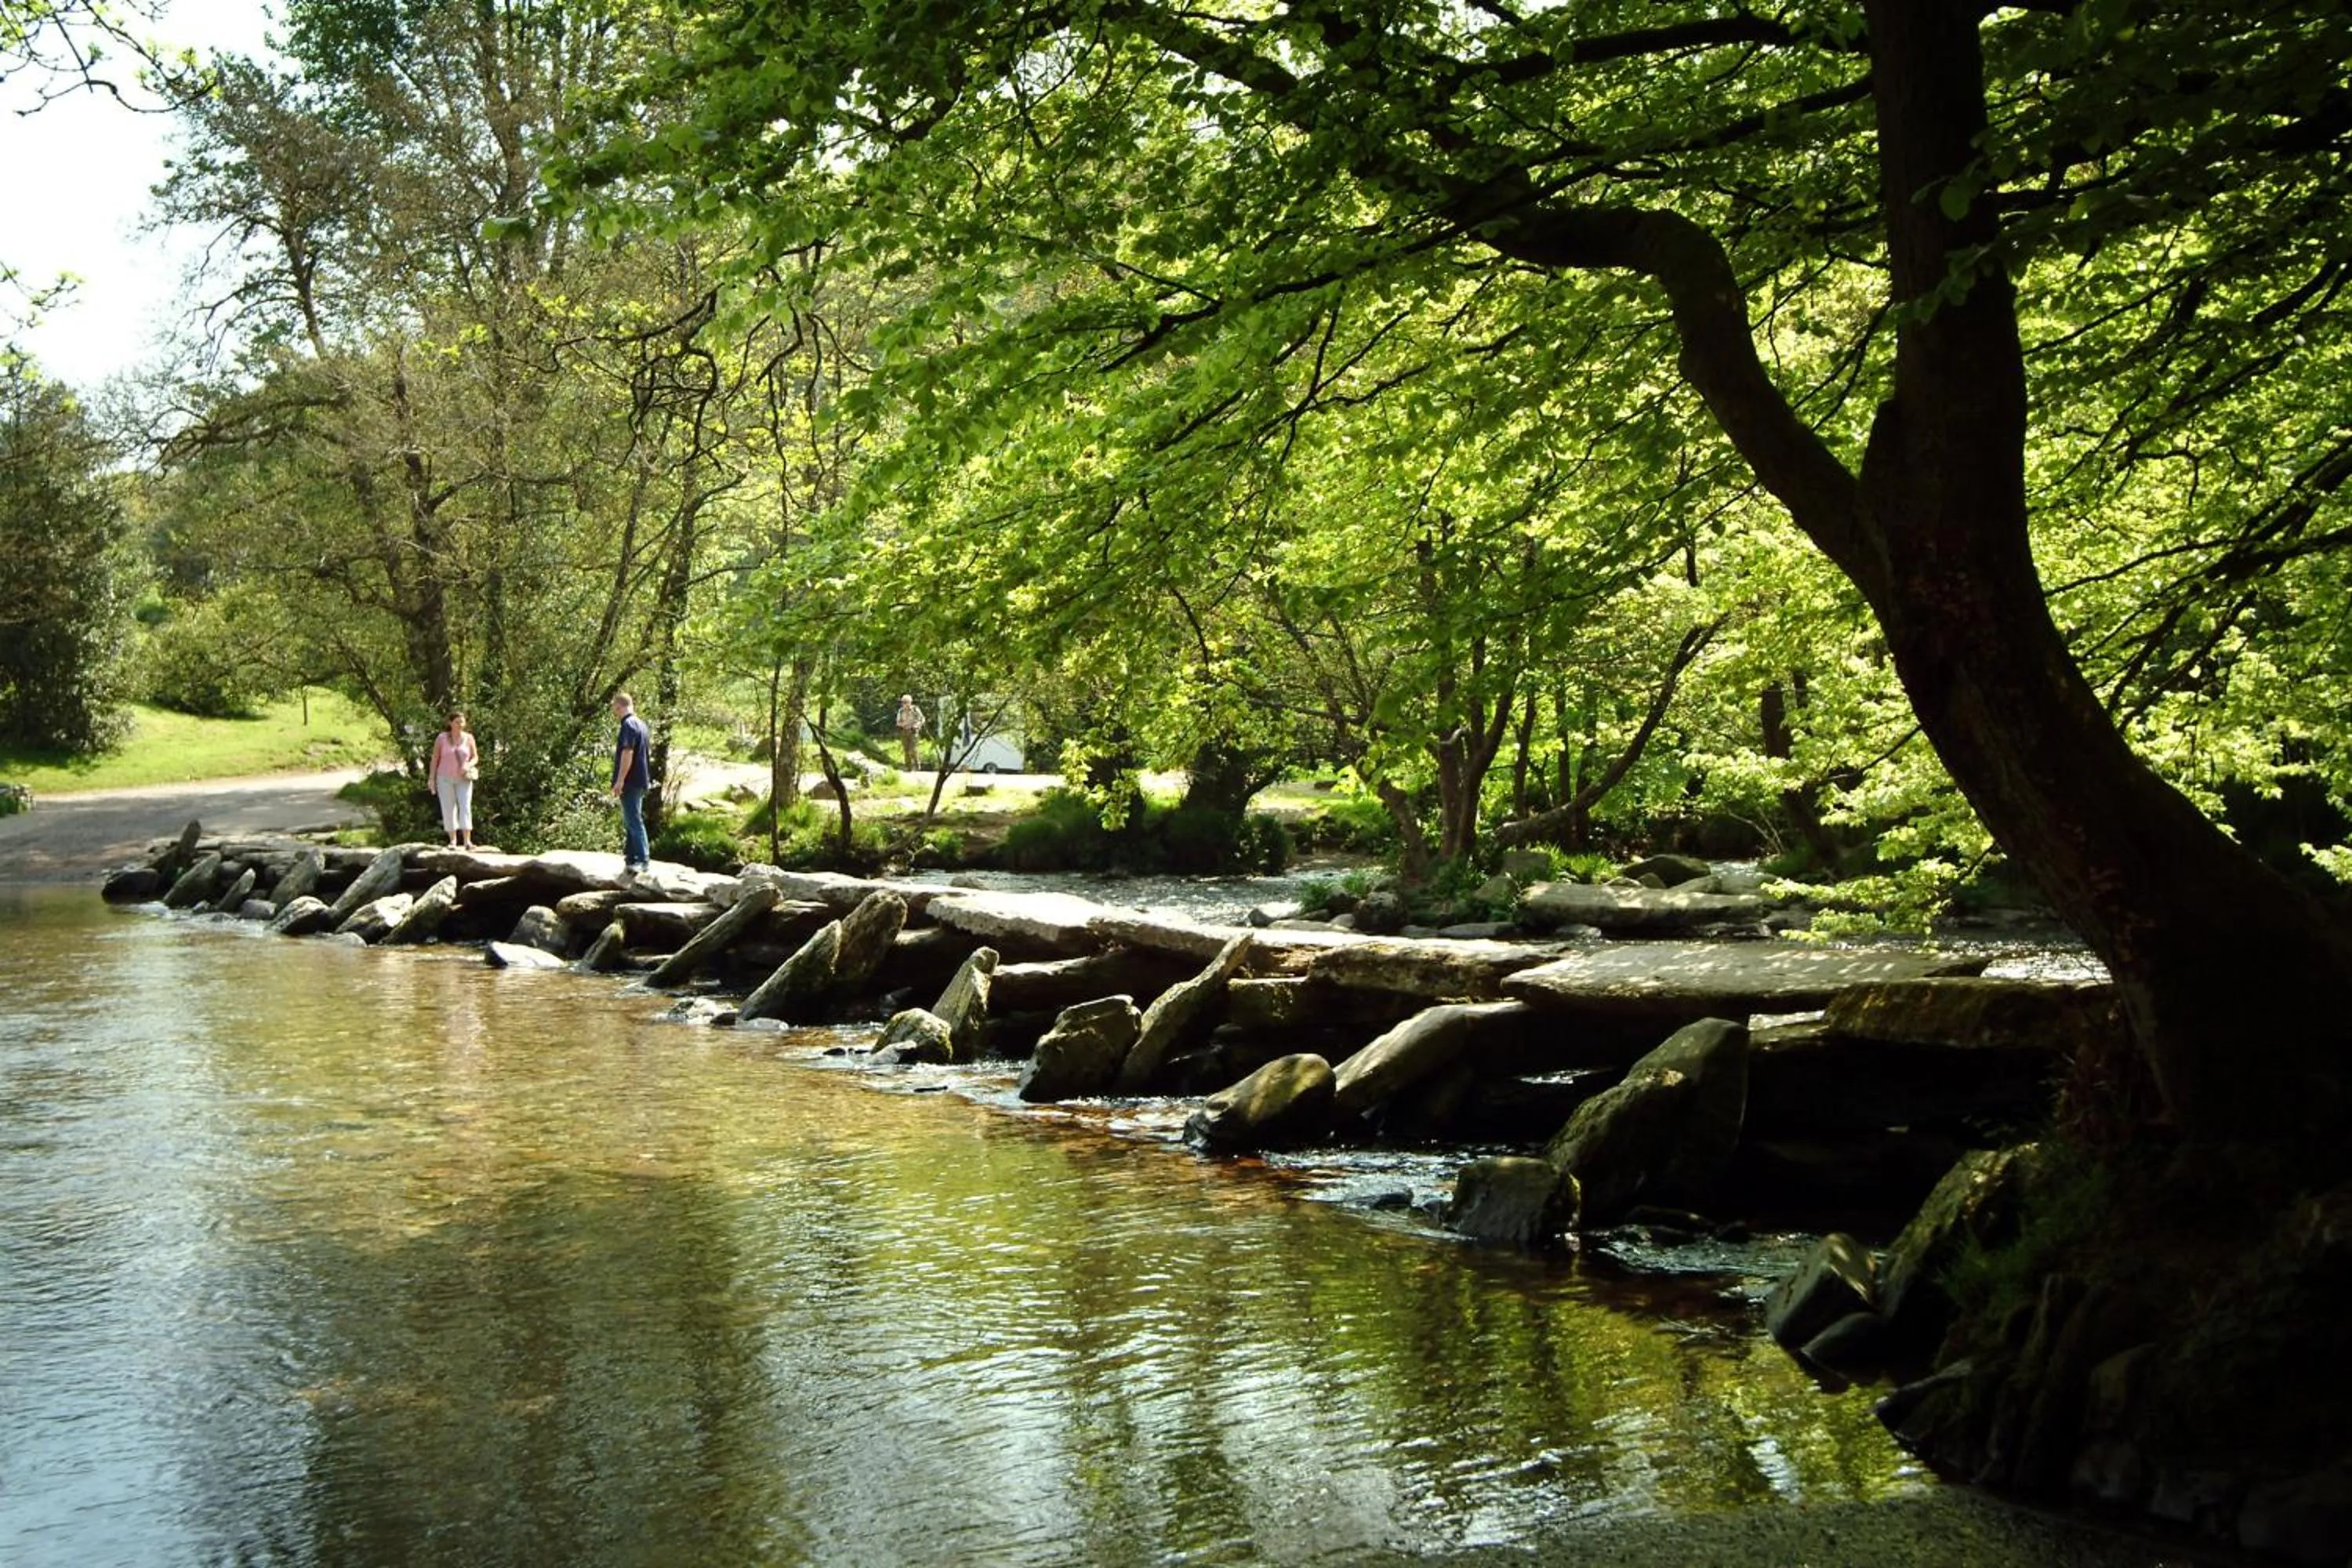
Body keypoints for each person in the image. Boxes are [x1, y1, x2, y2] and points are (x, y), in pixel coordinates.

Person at [610, 691, 652, 874]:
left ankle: (643, 860)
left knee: (633, 820)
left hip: (631, 781)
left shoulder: (628, 725)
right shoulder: (641, 724)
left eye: (614, 707)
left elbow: (628, 753)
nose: (614, 711)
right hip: (640, 779)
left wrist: (620, 781)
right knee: (631, 819)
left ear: (619, 706)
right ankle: (631, 857)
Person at [427, 710, 478, 849]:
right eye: (457, 722)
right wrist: (431, 778)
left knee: (465, 806)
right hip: (444, 778)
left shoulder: (469, 738)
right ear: (450, 723)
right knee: (448, 808)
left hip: (464, 778)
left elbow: (475, 757)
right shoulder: (441, 738)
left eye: (462, 722)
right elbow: (435, 758)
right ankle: (453, 841)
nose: (460, 724)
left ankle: (467, 841)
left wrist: (468, 764)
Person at [895, 693, 924, 769]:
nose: (904, 704)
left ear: (910, 702)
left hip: (913, 731)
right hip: (904, 731)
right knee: (906, 750)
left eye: (906, 702)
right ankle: (908, 767)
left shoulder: (915, 710)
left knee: (913, 749)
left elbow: (922, 719)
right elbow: (898, 722)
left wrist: (916, 725)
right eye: (903, 702)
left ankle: (917, 765)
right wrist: (903, 724)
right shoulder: (901, 711)